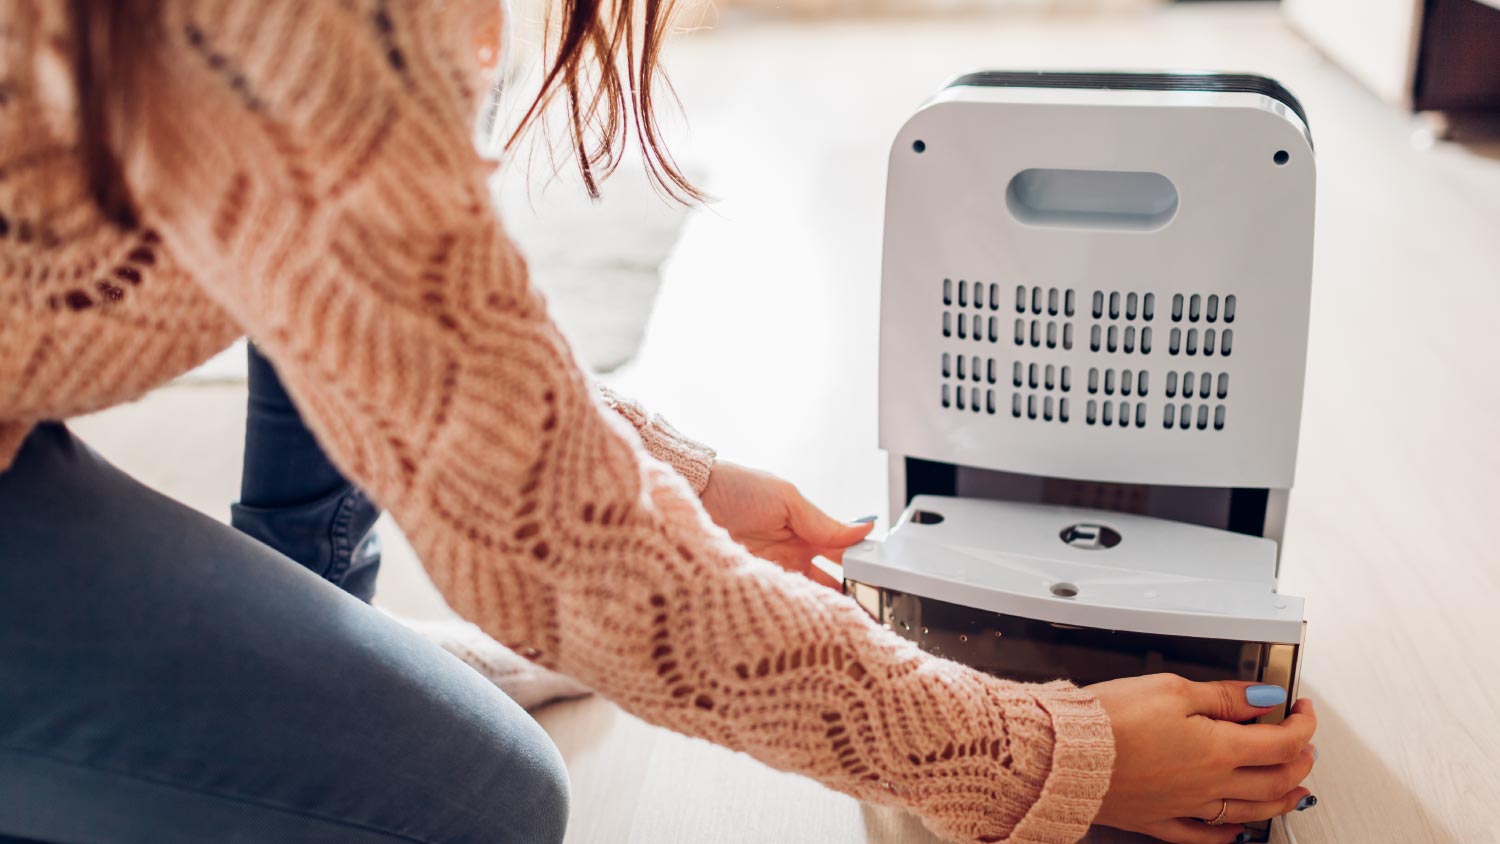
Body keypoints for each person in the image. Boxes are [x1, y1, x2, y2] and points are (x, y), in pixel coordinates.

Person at [0, 2, 1318, 843]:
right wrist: (1037, 760)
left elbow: (381, 283)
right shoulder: (300, 31)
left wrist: (669, 474)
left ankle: (301, 632)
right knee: (487, 802)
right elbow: (566, 564)